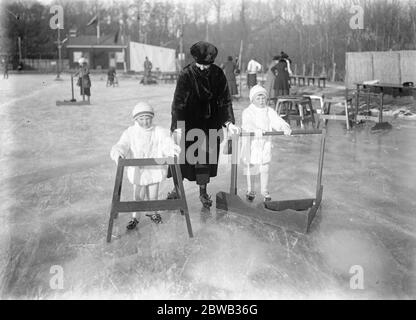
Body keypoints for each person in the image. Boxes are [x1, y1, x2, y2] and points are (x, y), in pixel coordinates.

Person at [168, 41, 240, 208]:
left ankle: (202, 191)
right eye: (200, 65)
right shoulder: (186, 74)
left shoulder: (218, 74)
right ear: (195, 60)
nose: (202, 68)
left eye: (206, 65)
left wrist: (229, 122)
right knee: (182, 160)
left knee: (204, 161)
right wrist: (177, 126)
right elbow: (178, 102)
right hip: (188, 125)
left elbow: (225, 101)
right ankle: (177, 189)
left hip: (209, 126)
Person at [110, 102, 181, 230]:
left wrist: (172, 150)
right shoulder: (131, 132)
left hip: (154, 170)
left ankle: (153, 213)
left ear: (152, 118)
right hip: (139, 171)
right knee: (138, 196)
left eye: (148, 118)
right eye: (141, 119)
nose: (145, 121)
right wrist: (119, 152)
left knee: (153, 195)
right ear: (136, 119)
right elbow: (123, 144)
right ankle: (135, 217)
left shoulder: (158, 131)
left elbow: (166, 142)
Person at [241, 85, 291, 202]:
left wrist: (284, 126)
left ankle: (264, 190)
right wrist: (256, 130)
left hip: (265, 144)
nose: (261, 101)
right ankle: (250, 190)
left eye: (263, 98)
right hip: (251, 144)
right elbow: (247, 124)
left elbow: (277, 121)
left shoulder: (269, 111)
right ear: (252, 100)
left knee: (265, 168)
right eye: (258, 98)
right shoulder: (248, 111)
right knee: (251, 168)